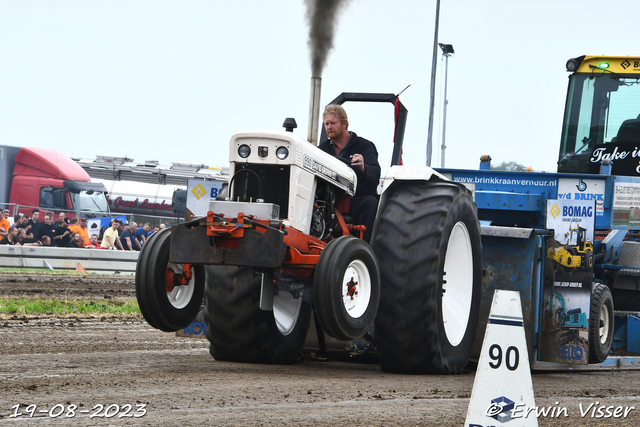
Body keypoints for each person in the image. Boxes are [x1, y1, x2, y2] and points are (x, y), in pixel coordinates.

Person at [318, 104, 381, 243]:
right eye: (326, 124)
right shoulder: (322, 149)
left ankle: (365, 246)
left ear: (344, 124)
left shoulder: (364, 146)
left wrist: (363, 168)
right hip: (330, 201)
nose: (329, 127)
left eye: (333, 123)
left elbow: (375, 174)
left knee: (370, 203)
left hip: (356, 199)